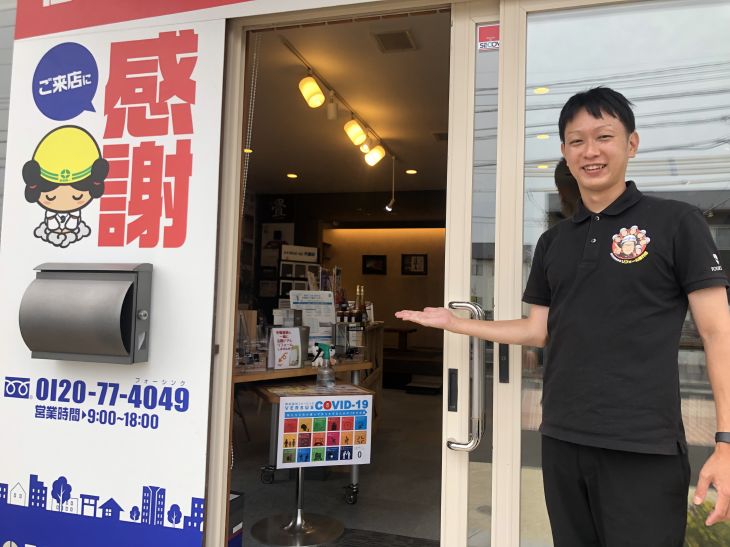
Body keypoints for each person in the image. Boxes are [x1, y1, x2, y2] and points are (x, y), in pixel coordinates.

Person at [396, 87, 730, 546]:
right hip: (561, 438)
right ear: (565, 153)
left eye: (604, 136)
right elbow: (538, 331)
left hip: (643, 446)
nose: (590, 151)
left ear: (631, 144)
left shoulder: (676, 222)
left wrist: (725, 442)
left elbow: (717, 333)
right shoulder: (554, 242)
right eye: (577, 141)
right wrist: (458, 323)